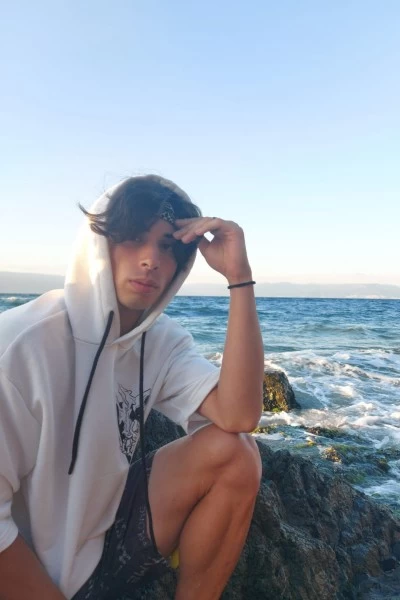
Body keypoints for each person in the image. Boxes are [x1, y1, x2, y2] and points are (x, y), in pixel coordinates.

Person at [0, 174, 264, 600]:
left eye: (167, 246)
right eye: (134, 238)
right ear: (99, 242)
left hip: (108, 539)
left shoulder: (161, 341)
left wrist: (239, 277)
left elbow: (239, 415)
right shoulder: (19, 347)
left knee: (236, 453)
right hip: (29, 567)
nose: (150, 260)